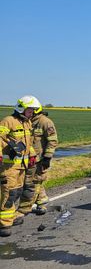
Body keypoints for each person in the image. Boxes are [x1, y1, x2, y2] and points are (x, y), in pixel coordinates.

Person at [0, 96, 38, 237]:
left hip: (21, 166)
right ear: (21, 108)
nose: (32, 113)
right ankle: (4, 223)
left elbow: (27, 143)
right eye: (30, 110)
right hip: (8, 167)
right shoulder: (8, 121)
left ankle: (11, 216)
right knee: (8, 193)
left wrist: (32, 155)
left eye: (33, 110)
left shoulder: (27, 123)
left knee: (17, 192)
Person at [18, 97, 58, 216]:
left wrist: (47, 157)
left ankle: (25, 208)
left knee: (33, 182)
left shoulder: (45, 122)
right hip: (27, 158)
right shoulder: (26, 121)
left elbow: (52, 141)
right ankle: (42, 202)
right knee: (35, 181)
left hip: (39, 159)